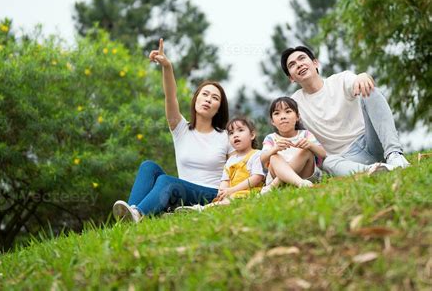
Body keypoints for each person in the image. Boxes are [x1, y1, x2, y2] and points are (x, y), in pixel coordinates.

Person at [112, 38, 233, 223]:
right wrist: (167, 67)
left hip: (211, 195)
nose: (209, 99)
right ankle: (131, 217)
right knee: (148, 167)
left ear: (219, 107)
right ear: (196, 99)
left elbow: (240, 165)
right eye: (205, 94)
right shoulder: (181, 129)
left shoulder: (226, 136)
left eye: (215, 98)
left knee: (167, 181)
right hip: (183, 193)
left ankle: (138, 214)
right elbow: (171, 96)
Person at [280, 46, 410, 176]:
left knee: (369, 91)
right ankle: (374, 170)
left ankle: (395, 155)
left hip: (372, 141)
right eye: (292, 65)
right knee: (328, 162)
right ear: (291, 78)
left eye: (302, 58)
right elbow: (285, 129)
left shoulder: (340, 79)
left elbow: (362, 82)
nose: (299, 64)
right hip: (347, 158)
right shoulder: (294, 104)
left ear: (315, 63)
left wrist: (363, 76)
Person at [176, 117, 265, 211]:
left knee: (232, 199)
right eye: (231, 133)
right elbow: (225, 180)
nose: (235, 135)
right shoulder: (231, 160)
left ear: (252, 135)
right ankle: (193, 210)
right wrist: (222, 192)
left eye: (240, 130)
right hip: (232, 193)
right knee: (222, 200)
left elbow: (256, 178)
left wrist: (232, 190)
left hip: (248, 191)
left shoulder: (256, 155)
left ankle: (200, 209)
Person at [260, 97, 326, 193]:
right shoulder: (271, 138)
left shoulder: (305, 134)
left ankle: (274, 186)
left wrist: (310, 145)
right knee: (273, 157)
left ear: (297, 117)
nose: (283, 116)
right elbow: (262, 159)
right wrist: (274, 149)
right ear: (272, 121)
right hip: (281, 174)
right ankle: (300, 183)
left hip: (304, 174)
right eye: (277, 113)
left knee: (306, 151)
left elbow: (323, 154)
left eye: (288, 111)